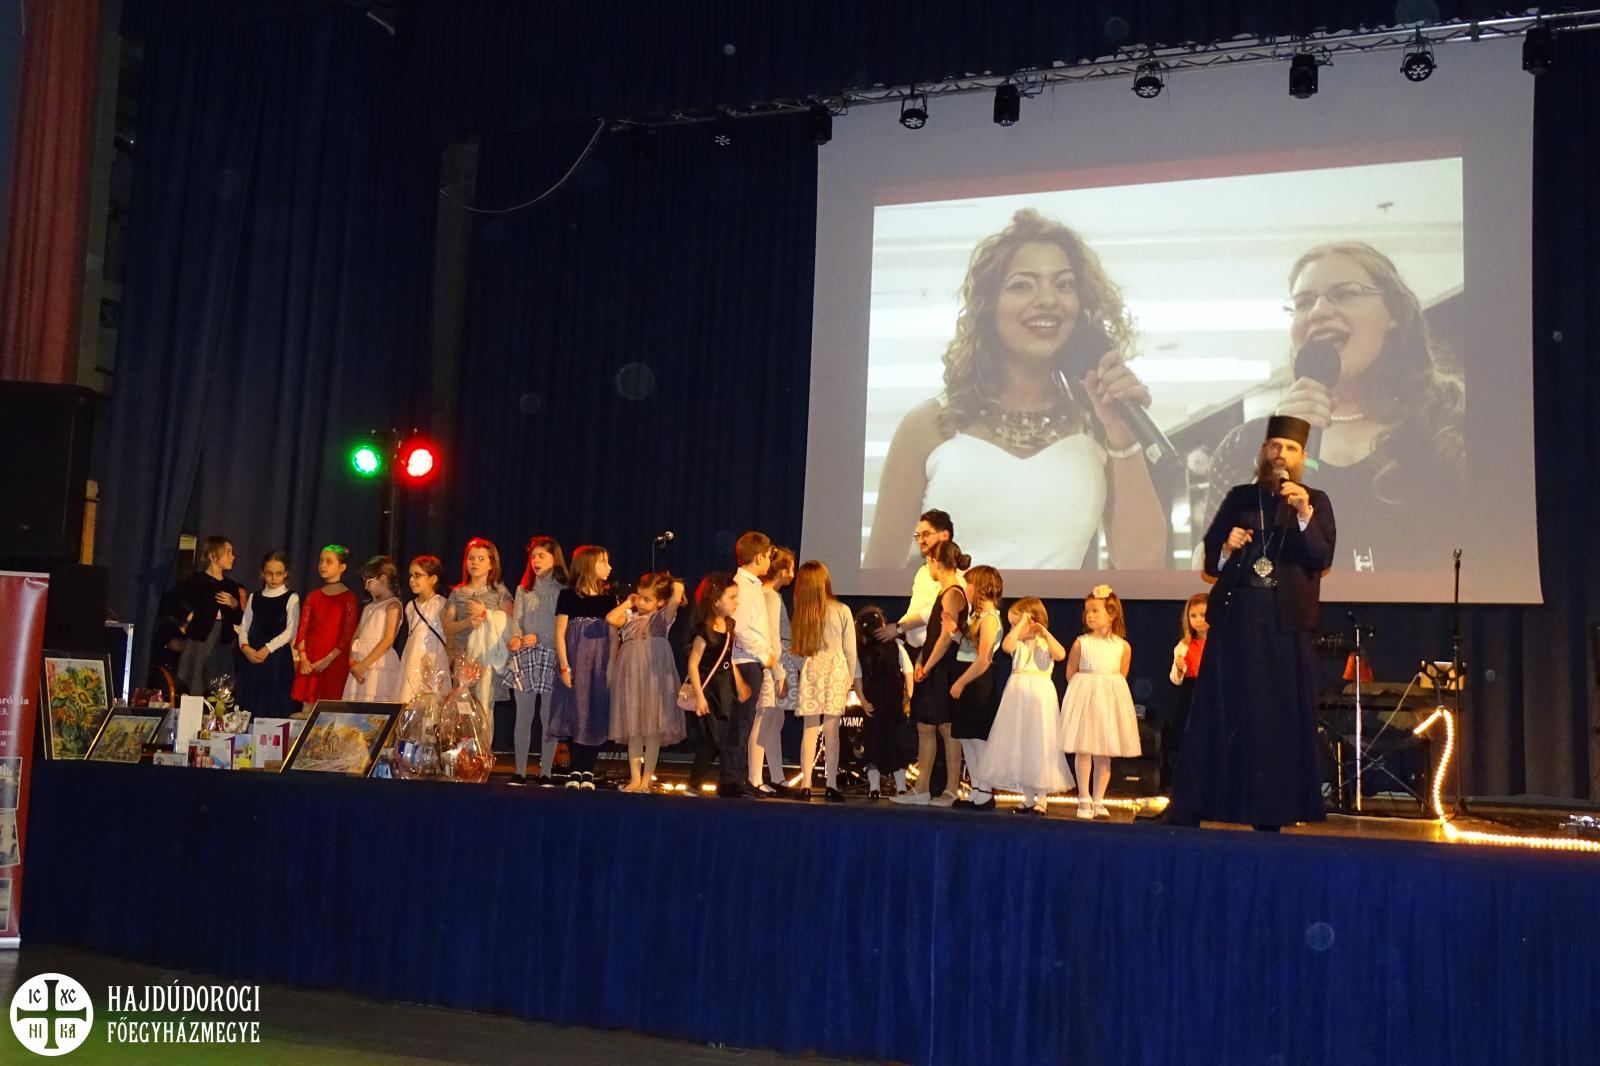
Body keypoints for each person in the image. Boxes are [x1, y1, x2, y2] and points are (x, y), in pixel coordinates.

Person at [864, 209, 1165, 571]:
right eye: (1023, 285)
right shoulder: (928, 425)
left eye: (1064, 284)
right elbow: (877, 575)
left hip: (1050, 612)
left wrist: (1121, 434)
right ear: (989, 305)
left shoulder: (1098, 427)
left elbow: (1143, 564)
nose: (1048, 300)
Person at [1207, 241, 1462, 571]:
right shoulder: (1246, 445)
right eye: (1303, 302)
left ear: (1394, 313)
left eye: (1344, 294)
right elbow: (1214, 570)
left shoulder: (1451, 423)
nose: (1318, 311)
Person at [1168, 415, 1335, 831]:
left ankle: (1271, 813)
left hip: (1283, 624)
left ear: (1303, 457)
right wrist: (1227, 547)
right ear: (1263, 452)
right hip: (1237, 619)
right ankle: (1195, 806)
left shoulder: (1315, 501)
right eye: (1275, 446)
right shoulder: (1241, 497)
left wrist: (1303, 513)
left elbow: (1320, 557)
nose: (1281, 454)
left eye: (1290, 448)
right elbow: (1211, 560)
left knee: (1275, 719)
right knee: (1219, 714)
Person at [976, 597, 1071, 815]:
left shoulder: (1045, 641)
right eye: (1011, 624)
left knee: (1040, 743)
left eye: (1016, 622)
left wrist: (1043, 632)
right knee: (1021, 743)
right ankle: (1027, 798)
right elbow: (1006, 646)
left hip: (1039, 694)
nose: (1013, 628)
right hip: (1018, 693)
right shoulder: (1016, 642)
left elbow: (1060, 654)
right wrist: (1020, 627)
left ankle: (1042, 799)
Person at [893, 540, 970, 807]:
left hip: (944, 668)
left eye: (928, 562)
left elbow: (946, 638)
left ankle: (951, 789)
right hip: (933, 665)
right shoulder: (943, 592)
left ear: (935, 562)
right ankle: (921, 787)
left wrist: (927, 665)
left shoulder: (954, 593)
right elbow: (934, 634)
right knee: (925, 725)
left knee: (947, 729)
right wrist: (921, 659)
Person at [1058, 584, 1140, 820]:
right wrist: (1083, 694)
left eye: (1095, 610)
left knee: (1104, 752)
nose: (1090, 615)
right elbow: (1071, 671)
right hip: (1086, 701)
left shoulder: (1123, 646)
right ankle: (1083, 797)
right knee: (1084, 750)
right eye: (1087, 611)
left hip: (1107, 704)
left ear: (1111, 614)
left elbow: (1121, 676)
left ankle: (1098, 799)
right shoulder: (1081, 642)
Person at [606, 571, 687, 792]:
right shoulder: (630, 616)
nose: (641, 602)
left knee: (652, 730)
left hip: (653, 674)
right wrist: (629, 602)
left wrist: (672, 583)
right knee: (634, 728)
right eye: (640, 597)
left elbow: (677, 595)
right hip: (632, 674)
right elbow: (611, 618)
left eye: (647, 599)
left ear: (660, 602)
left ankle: (646, 779)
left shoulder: (663, 618)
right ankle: (635, 778)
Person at [791, 560, 863, 802]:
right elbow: (850, 651)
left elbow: (796, 650)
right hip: (835, 669)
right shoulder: (841, 609)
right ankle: (831, 784)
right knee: (832, 730)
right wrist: (849, 679)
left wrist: (806, 669)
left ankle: (806, 784)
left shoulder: (802, 613)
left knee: (809, 729)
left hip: (812, 668)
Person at [507, 536, 566, 784]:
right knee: (523, 715)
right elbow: (516, 620)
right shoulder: (524, 589)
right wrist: (515, 637)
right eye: (533, 556)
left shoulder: (563, 590)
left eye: (541, 555)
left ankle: (546, 771)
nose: (535, 560)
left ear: (555, 558)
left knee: (547, 716)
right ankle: (520, 770)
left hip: (551, 654)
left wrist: (541, 637)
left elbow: (562, 626)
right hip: (526, 655)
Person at [685, 573, 749, 794]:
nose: (736, 602)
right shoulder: (705, 630)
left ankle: (726, 782)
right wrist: (699, 696)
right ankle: (693, 783)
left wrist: (739, 683)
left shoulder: (729, 625)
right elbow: (693, 664)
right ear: (715, 601)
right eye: (731, 597)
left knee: (726, 736)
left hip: (725, 690)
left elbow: (728, 659)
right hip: (709, 690)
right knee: (711, 739)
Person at [949, 565, 1004, 811]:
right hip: (967, 676)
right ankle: (976, 789)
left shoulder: (990, 618)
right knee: (966, 738)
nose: (966, 591)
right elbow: (969, 647)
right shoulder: (977, 617)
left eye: (969, 586)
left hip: (977, 681)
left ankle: (985, 791)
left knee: (978, 739)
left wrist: (961, 682)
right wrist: (954, 633)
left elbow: (983, 659)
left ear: (980, 588)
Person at [728, 532, 778, 799]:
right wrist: (763, 654)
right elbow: (740, 628)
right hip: (746, 661)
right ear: (758, 557)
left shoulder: (752, 585)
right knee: (741, 723)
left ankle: (738, 779)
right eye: (769, 556)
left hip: (751, 660)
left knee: (744, 723)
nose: (770, 561)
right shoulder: (743, 587)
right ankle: (733, 780)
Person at [441, 538, 513, 714]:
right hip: (463, 661)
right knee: (462, 713)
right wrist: (468, 622)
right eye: (471, 558)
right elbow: (447, 628)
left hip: (487, 662)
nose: (475, 563)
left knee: (484, 713)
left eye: (481, 559)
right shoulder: (457, 593)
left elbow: (510, 626)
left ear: (491, 564)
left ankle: (485, 735)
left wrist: (486, 615)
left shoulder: (499, 592)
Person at [874, 510, 961, 649]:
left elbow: (935, 611)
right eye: (918, 535)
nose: (921, 540)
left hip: (939, 652)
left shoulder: (956, 573)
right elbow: (914, 611)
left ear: (945, 535)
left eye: (926, 534)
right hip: (918, 651)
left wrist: (899, 628)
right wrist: (896, 629)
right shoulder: (922, 572)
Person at [172, 535, 246, 695]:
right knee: (196, 681)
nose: (233, 557)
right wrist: (188, 615)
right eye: (228, 552)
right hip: (200, 640)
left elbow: (240, 618)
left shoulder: (231, 586)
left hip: (222, 644)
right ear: (213, 556)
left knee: (221, 688)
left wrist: (234, 604)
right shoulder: (196, 581)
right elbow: (169, 601)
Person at [290, 544, 359, 713]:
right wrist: (303, 658)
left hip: (335, 660)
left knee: (330, 706)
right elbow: (302, 629)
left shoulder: (348, 598)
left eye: (329, 562)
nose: (323, 565)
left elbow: (348, 634)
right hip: (311, 659)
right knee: (307, 706)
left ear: (342, 567)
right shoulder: (313, 596)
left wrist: (329, 659)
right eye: (321, 561)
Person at [751, 545, 797, 792]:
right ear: (783, 571)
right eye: (791, 568)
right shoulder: (769, 596)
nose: (793, 574)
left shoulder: (773, 595)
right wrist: (779, 672)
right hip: (772, 664)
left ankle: (777, 776)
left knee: (774, 721)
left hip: (779, 661)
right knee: (764, 718)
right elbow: (771, 635)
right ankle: (755, 778)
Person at [855, 606, 914, 799]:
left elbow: (907, 670)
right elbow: (858, 677)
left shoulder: (895, 645)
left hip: (893, 704)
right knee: (874, 745)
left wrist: (909, 693)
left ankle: (900, 786)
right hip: (875, 706)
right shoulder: (861, 651)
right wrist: (863, 700)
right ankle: (875, 787)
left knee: (895, 745)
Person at [233, 551, 299, 718]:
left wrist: (268, 648)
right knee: (251, 703)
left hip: (277, 659)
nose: (274, 578)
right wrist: (245, 647)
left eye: (278, 573)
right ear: (262, 573)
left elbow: (291, 630)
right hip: (253, 657)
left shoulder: (292, 597)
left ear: (285, 574)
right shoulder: (254, 597)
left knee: (274, 705)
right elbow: (244, 625)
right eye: (269, 573)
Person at [1162, 592, 1209, 790]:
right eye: (1193, 616)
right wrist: (1180, 668)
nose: (1198, 620)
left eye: (1203, 614)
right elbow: (1175, 679)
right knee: (1186, 738)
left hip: (1212, 694)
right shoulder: (1183, 645)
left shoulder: (1221, 643)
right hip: (1190, 695)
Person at [343, 556, 403, 701]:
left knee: (375, 702)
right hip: (360, 663)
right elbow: (356, 636)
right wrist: (353, 662)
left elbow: (388, 639)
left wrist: (364, 664)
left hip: (378, 663)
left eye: (369, 581)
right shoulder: (368, 607)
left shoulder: (393, 605)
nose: (365, 587)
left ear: (383, 579)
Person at [398, 555, 447, 704]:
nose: (412, 580)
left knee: (430, 705)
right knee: (408, 700)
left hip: (431, 662)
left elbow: (447, 634)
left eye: (418, 575)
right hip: (411, 660)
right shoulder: (410, 606)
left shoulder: (441, 604)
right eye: (411, 575)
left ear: (433, 579)